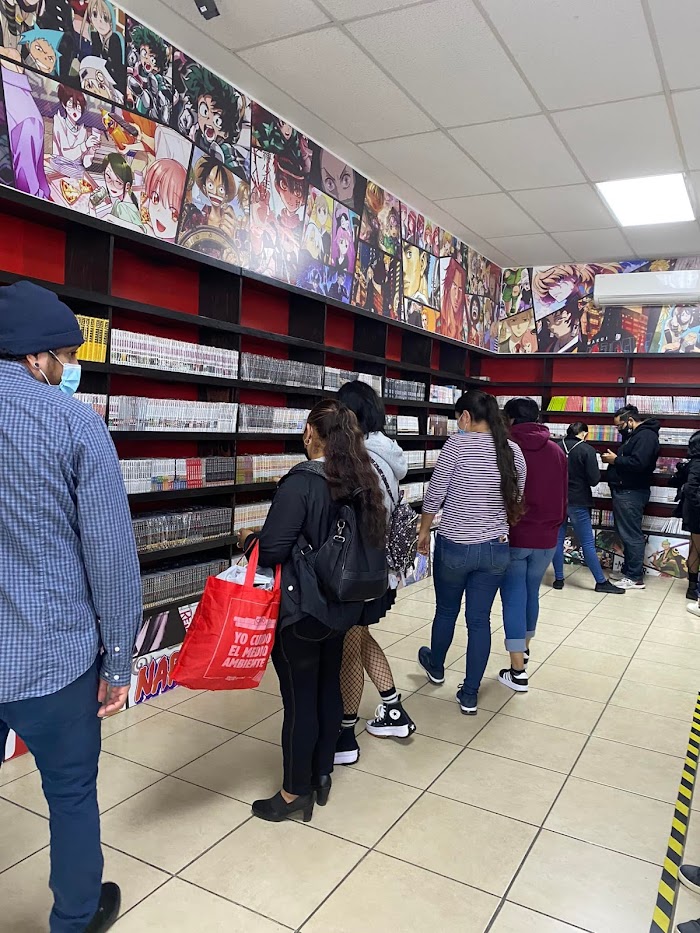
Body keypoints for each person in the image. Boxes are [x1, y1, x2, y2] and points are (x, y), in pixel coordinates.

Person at [0, 281, 142, 932]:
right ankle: (76, 915)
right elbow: (111, 559)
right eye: (64, 356)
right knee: (71, 792)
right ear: (35, 357)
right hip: (51, 655)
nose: (67, 369)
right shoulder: (75, 423)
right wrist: (118, 661)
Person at [240, 399, 386, 822]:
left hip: (303, 609)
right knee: (327, 690)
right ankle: (322, 773)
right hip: (342, 606)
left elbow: (272, 549)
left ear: (310, 432)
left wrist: (248, 540)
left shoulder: (301, 482)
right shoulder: (362, 479)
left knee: (299, 701)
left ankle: (294, 792)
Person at [417, 390, 526, 715]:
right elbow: (517, 496)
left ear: (465, 417)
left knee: (446, 611)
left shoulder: (456, 445)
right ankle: (469, 694)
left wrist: (424, 530)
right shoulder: (512, 451)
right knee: (479, 620)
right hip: (495, 549)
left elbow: (435, 493)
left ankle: (437, 666)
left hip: (454, 545)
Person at [333, 380, 415, 765]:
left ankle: (345, 736)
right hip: (379, 569)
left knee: (350, 648)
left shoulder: (358, 459)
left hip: (357, 571)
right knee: (361, 636)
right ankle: (393, 709)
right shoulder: (388, 453)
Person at [499, 398, 567, 693]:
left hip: (516, 534)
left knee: (514, 596)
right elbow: (563, 494)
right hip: (547, 536)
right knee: (531, 592)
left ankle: (517, 671)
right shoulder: (556, 450)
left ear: (511, 420)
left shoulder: (506, 449)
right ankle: (524, 647)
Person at [552, 422, 625, 594]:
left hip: (557, 499)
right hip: (578, 500)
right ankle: (600, 581)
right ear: (584, 434)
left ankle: (558, 579)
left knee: (557, 540)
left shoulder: (555, 447)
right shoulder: (587, 450)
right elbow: (593, 480)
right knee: (587, 543)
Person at [602, 405, 660, 590]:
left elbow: (639, 463)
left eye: (620, 426)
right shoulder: (635, 436)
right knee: (626, 534)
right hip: (625, 490)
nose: (619, 430)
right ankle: (628, 571)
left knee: (632, 535)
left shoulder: (646, 436)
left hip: (631, 492)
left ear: (630, 421)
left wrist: (615, 460)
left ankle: (634, 577)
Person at [670, 431, 700, 612]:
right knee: (697, 548)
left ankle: (692, 588)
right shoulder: (697, 463)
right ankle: (693, 588)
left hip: (693, 511)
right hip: (697, 511)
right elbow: (692, 488)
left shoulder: (693, 462)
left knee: (695, 548)